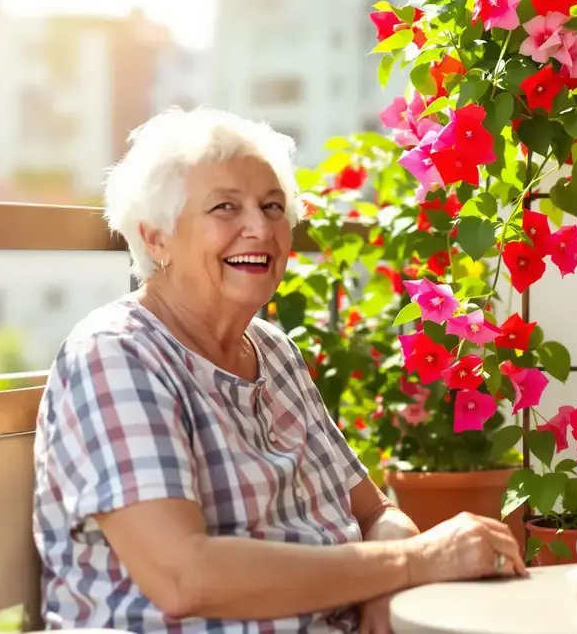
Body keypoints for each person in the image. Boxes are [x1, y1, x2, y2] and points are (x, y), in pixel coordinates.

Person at [31, 107, 527, 634]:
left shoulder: (272, 351)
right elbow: (184, 577)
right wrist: (413, 563)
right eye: (225, 207)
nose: (260, 228)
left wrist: (386, 587)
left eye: (272, 207)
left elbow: (377, 513)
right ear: (155, 238)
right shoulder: (117, 354)